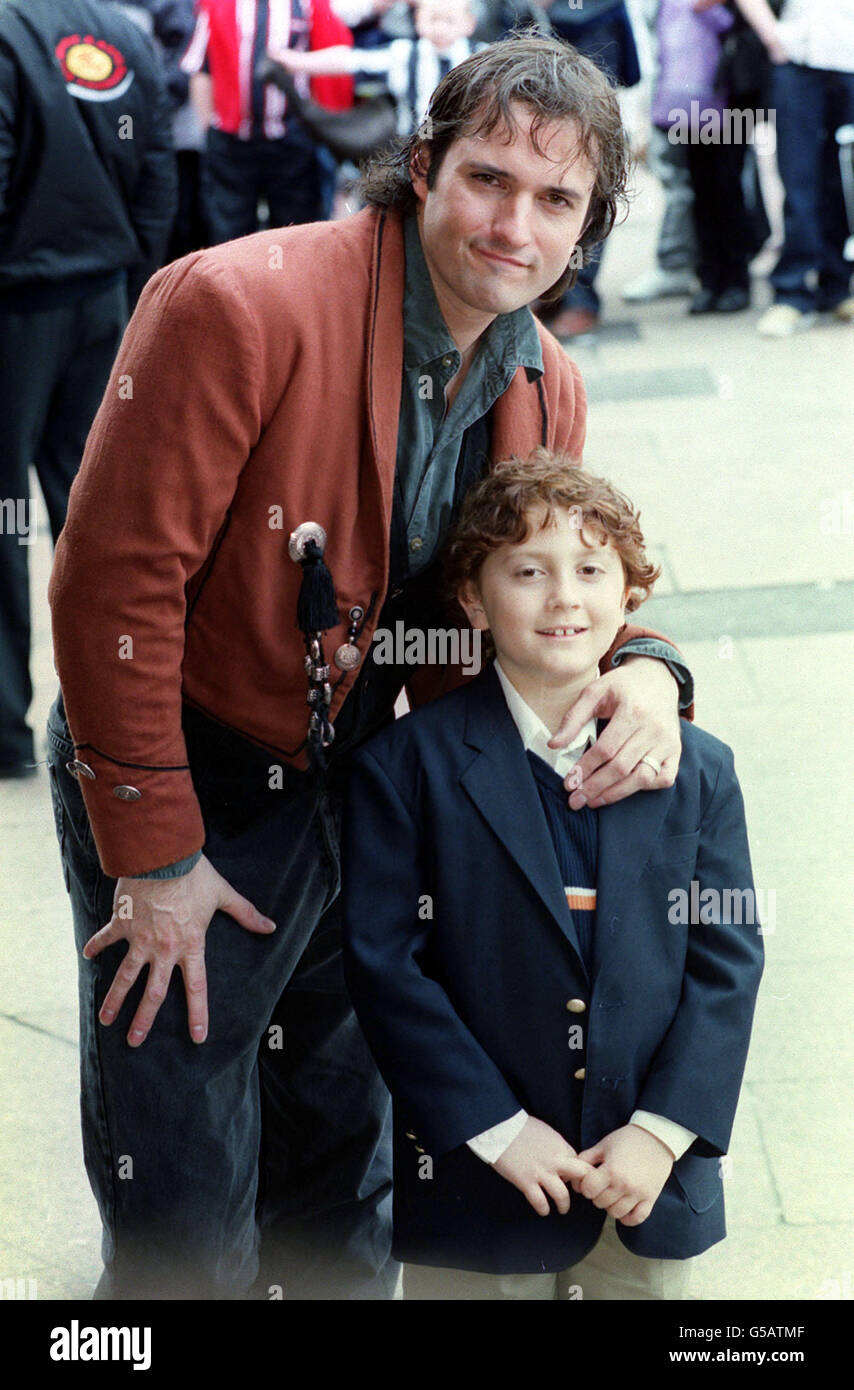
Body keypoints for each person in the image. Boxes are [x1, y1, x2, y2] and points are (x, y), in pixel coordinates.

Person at [47, 35, 694, 1300]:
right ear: (420, 169)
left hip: (369, 792)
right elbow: (107, 585)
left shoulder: (542, 378)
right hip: (196, 774)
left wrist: (653, 666)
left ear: (587, 226)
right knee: (184, 1167)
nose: (513, 223)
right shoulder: (236, 302)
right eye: (486, 178)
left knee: (348, 1156)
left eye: (554, 200)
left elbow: (543, 584)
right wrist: (157, 858)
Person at [341, 452, 764, 1299]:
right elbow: (387, 967)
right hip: (478, 1182)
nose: (564, 596)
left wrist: (662, 1131)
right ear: (472, 599)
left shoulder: (701, 769)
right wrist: (491, 1128)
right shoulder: (404, 768)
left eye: (590, 570)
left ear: (629, 598)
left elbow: (727, 966)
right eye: (528, 572)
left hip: (645, 1185)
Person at [0, 0, 176, 780]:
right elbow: (157, 169)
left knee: (8, 521)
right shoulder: (120, 30)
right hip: (101, 298)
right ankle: (115, 723)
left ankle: (6, 730)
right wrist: (133, 284)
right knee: (95, 516)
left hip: (21, 309)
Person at [179, 0, 354, 243]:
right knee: (230, 237)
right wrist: (208, 127)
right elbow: (200, 67)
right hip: (232, 140)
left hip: (290, 137)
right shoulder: (216, 5)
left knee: (295, 234)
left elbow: (328, 51)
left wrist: (314, 124)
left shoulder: (305, 4)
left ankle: (290, 281)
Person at [735, 0, 854, 335]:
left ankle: (838, 286)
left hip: (849, 60)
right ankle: (792, 292)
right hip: (798, 58)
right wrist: (774, 38)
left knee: (844, 180)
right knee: (798, 179)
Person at [267, 0, 484, 139]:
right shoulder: (403, 54)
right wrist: (297, 62)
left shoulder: (481, 57)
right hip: (414, 143)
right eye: (433, 19)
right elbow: (351, 60)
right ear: (418, 19)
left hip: (464, 144)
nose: (441, 28)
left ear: (469, 23)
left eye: (450, 20)